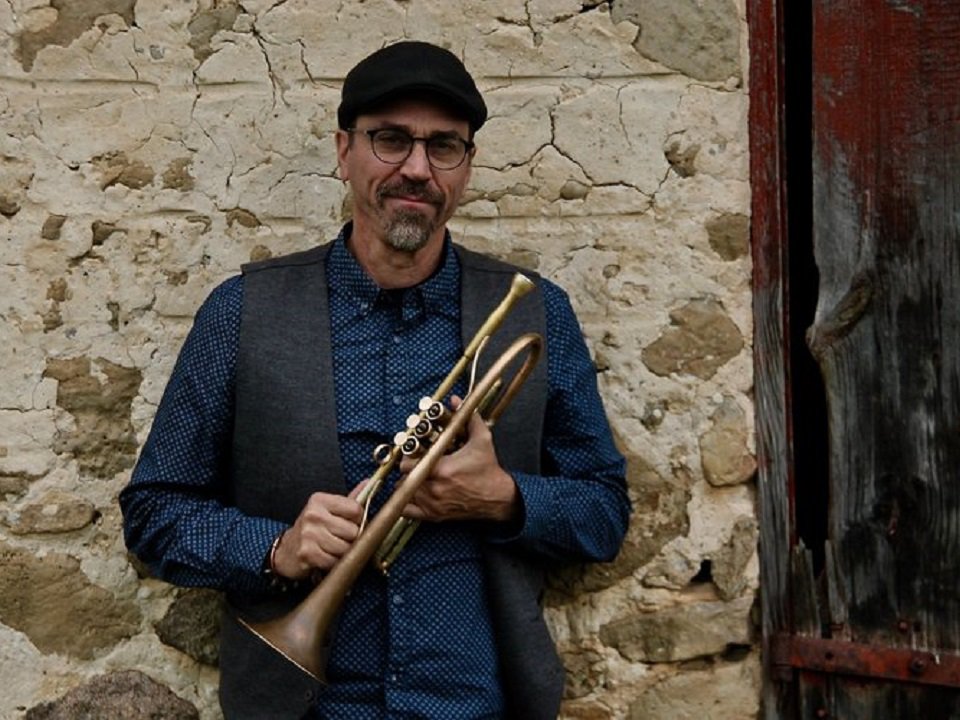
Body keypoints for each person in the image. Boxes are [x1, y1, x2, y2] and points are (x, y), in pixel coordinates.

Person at [120, 40, 630, 720]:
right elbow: (154, 511)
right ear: (344, 150)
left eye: (444, 146)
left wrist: (503, 498)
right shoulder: (241, 313)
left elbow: (604, 510)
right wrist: (275, 548)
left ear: (467, 166)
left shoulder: (538, 312)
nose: (417, 169)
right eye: (391, 140)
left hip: (477, 705)